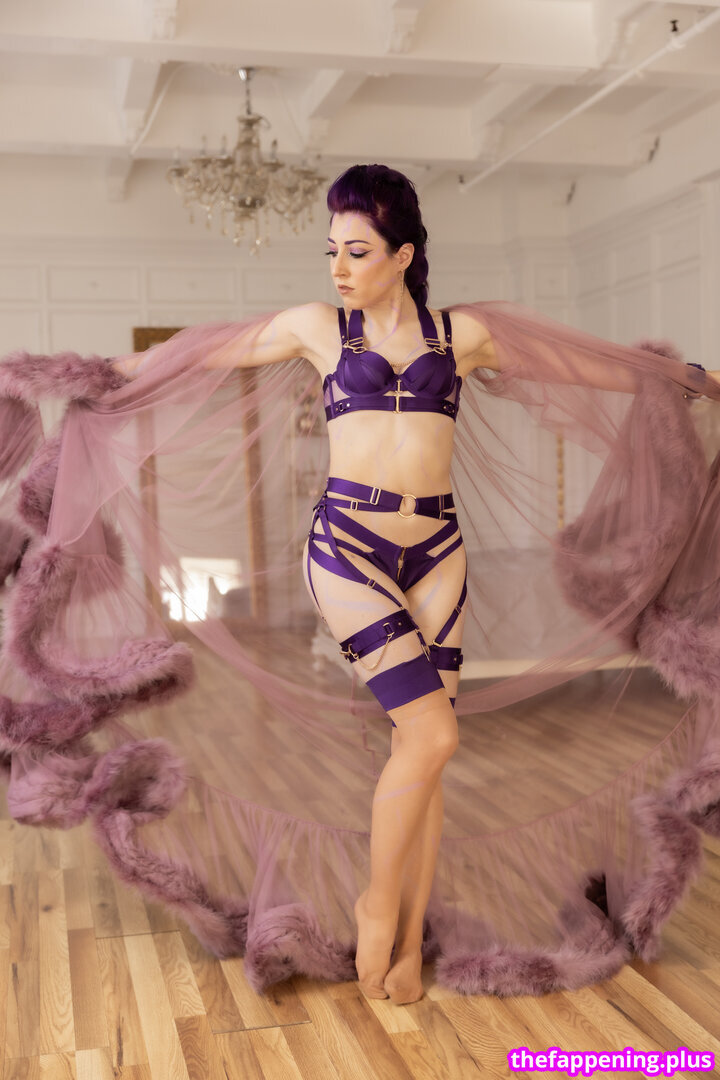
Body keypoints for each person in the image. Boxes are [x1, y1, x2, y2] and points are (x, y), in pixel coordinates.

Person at [4, 164, 720, 1010]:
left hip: (438, 550)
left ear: (402, 254)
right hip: (348, 549)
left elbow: (571, 363)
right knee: (432, 735)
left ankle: (408, 933)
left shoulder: (462, 335)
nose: (339, 267)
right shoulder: (319, 329)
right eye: (332, 250)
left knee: (426, 752)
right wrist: (80, 374)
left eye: (358, 251)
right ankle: (378, 906)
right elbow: (191, 354)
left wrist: (677, 379)